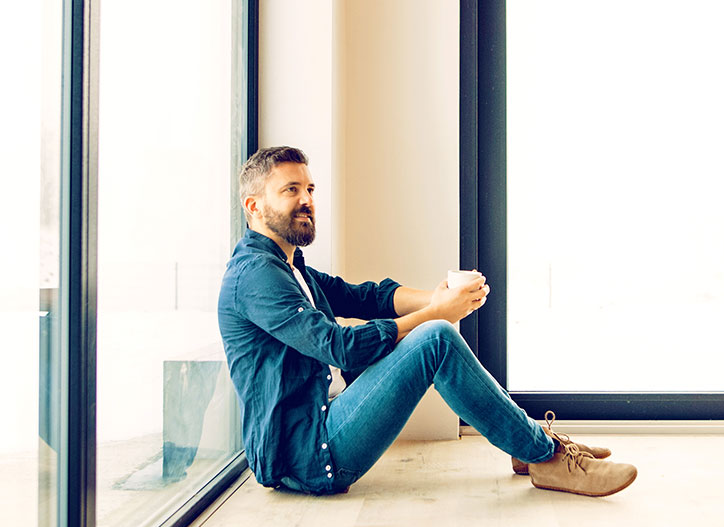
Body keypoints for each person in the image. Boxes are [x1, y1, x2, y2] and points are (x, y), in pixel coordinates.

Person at [217, 146, 637, 497]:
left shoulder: (290, 266)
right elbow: (337, 346)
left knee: (433, 330)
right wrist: (435, 313)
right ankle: (545, 457)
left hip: (323, 420)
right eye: (291, 190)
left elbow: (367, 295)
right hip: (308, 454)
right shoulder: (255, 276)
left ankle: (531, 446)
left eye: (309, 188)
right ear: (253, 206)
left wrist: (437, 297)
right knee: (435, 336)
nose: (307, 199)